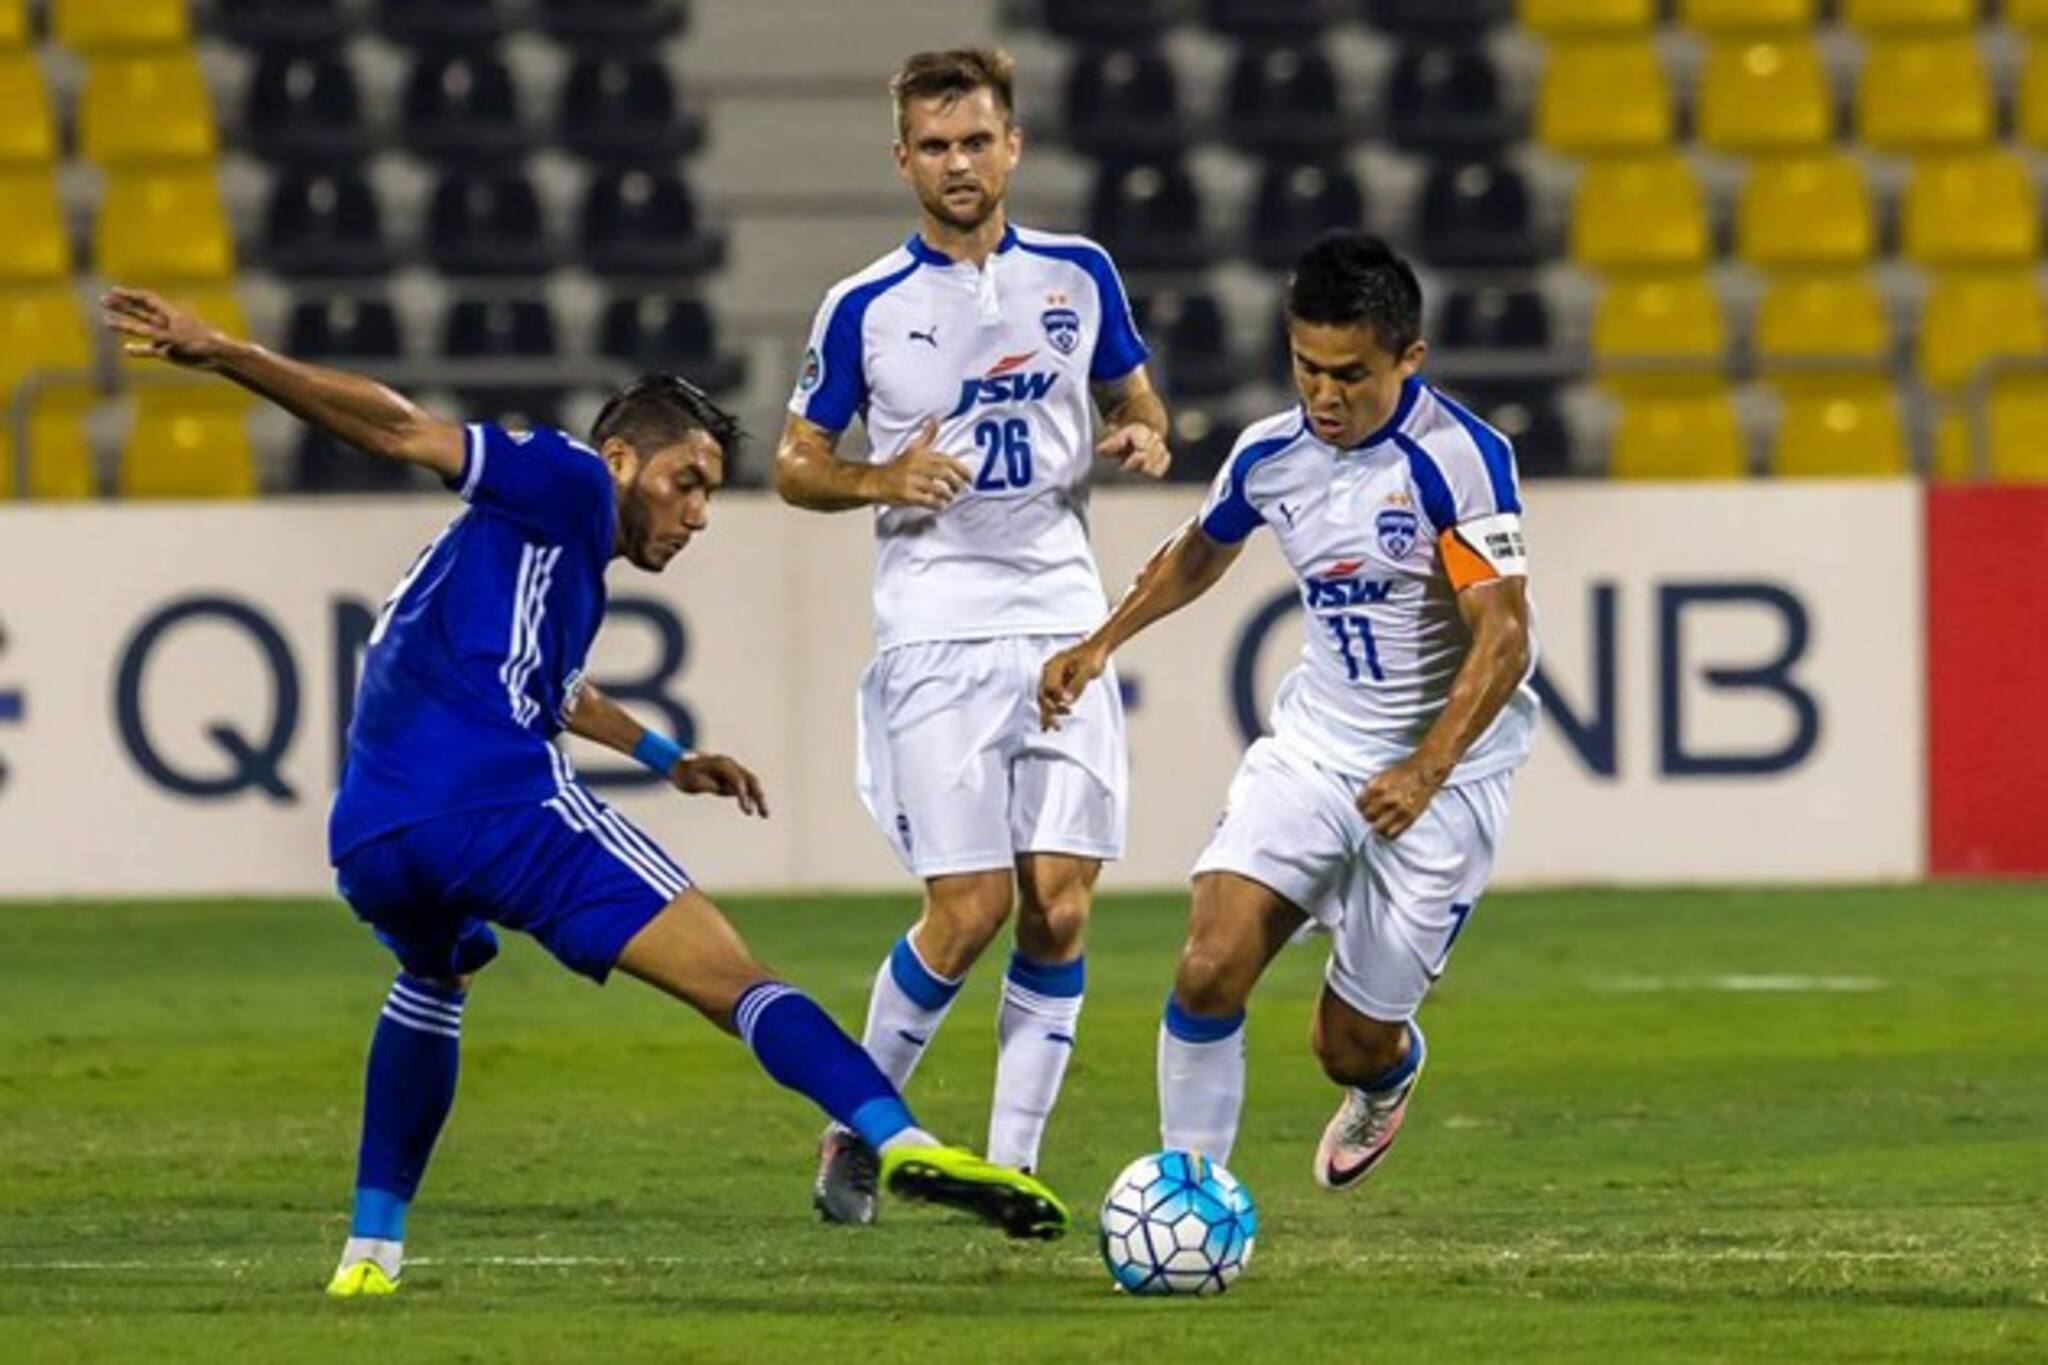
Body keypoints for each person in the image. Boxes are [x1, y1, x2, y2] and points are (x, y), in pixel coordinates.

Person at [99, 286, 1072, 1297]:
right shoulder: (564, 474)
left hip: (374, 833)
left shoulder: (533, 561)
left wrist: (667, 759)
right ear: (620, 461)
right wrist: (230, 355)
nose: (697, 512)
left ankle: (369, 1254)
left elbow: (557, 691)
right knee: (736, 980)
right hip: (493, 802)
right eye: (685, 481)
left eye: (708, 492)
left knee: (432, 982)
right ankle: (896, 1137)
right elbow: (399, 429)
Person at [1037, 231, 1539, 1190]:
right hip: (1316, 749)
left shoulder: (1459, 461)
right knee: (1207, 964)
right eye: (1307, 367)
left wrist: (1426, 767)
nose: (1323, 395)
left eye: (1350, 374)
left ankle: (1386, 1078)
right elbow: (1200, 548)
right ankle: (1192, 1196)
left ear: (1408, 360)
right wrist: (1101, 641)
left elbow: (1502, 638)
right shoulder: (1272, 453)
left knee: (1347, 1044)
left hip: (1444, 778)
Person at [775, 49, 1171, 1221]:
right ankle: (857, 1125)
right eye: (935, 146)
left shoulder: (1078, 272)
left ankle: (1013, 1166)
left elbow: (1136, 396)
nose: (958, 163)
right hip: (936, 628)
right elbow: (794, 465)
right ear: (904, 161)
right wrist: (881, 473)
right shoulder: (860, 305)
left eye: (976, 141)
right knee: (969, 910)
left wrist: (1143, 432)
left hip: (1061, 614)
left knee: (1058, 901)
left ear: (1012, 147)